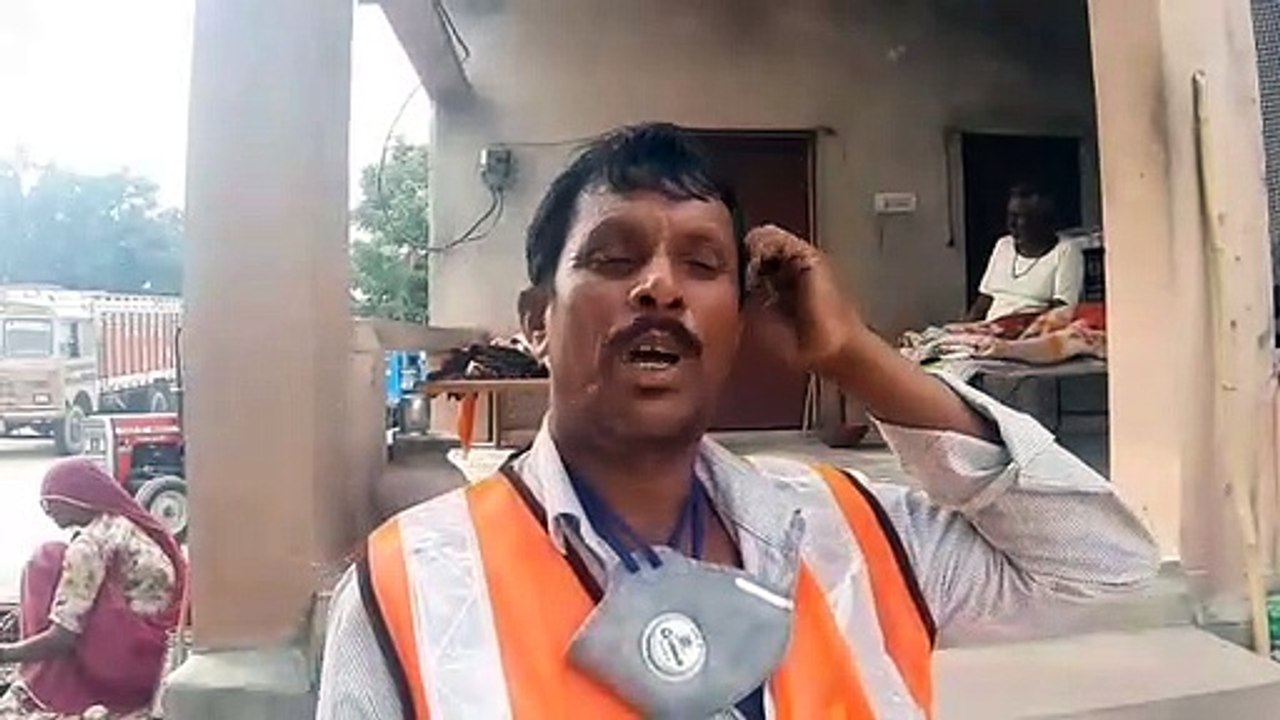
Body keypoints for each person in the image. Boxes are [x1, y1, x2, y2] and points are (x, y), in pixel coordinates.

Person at [318, 124, 1157, 719]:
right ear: (536, 320)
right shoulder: (410, 586)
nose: (659, 287)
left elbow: (1105, 562)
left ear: (739, 320)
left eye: (702, 263)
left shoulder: (855, 533)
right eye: (614, 258)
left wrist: (858, 357)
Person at [0, 459, 186, 720]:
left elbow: (62, 638)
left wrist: (7, 653)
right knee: (57, 557)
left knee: (45, 559)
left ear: (77, 498)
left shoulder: (89, 545)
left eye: (50, 502)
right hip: (159, 649)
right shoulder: (124, 524)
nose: (48, 511)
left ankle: (45, 683)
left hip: (129, 667)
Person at [965, 184, 1085, 322]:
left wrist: (1020, 328)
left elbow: (1061, 309)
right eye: (1010, 216)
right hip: (990, 327)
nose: (1011, 224)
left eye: (1019, 217)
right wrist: (962, 327)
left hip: (1030, 329)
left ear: (1041, 221)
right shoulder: (1003, 245)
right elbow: (985, 298)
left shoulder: (1066, 250)